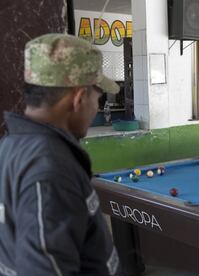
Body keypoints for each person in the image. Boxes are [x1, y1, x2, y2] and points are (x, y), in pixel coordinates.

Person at [0, 34, 122, 275]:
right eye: (97, 98)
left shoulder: (10, 145)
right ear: (79, 98)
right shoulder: (49, 169)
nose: (96, 107)